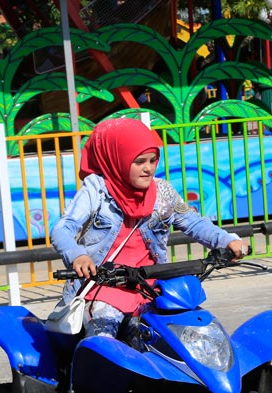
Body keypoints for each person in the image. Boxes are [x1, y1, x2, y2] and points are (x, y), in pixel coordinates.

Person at [50, 118, 244, 340]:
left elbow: (193, 222)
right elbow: (62, 228)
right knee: (103, 343)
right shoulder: (96, 191)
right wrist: (78, 256)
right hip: (103, 290)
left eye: (153, 160)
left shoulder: (163, 192)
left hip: (150, 289)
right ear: (117, 160)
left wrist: (226, 240)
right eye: (139, 161)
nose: (148, 168)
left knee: (177, 339)